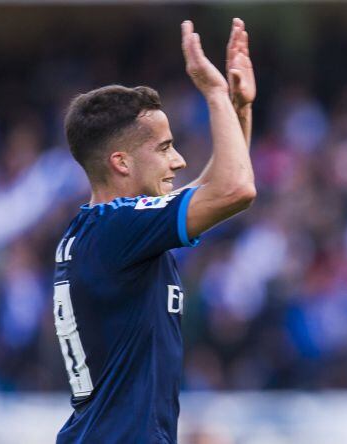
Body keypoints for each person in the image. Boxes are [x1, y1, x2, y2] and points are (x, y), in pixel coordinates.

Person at [52, 19, 256, 443]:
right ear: (122, 162)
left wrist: (238, 110)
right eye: (164, 148)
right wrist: (214, 92)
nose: (179, 161)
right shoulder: (118, 226)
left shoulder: (101, 229)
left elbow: (214, 190)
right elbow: (234, 189)